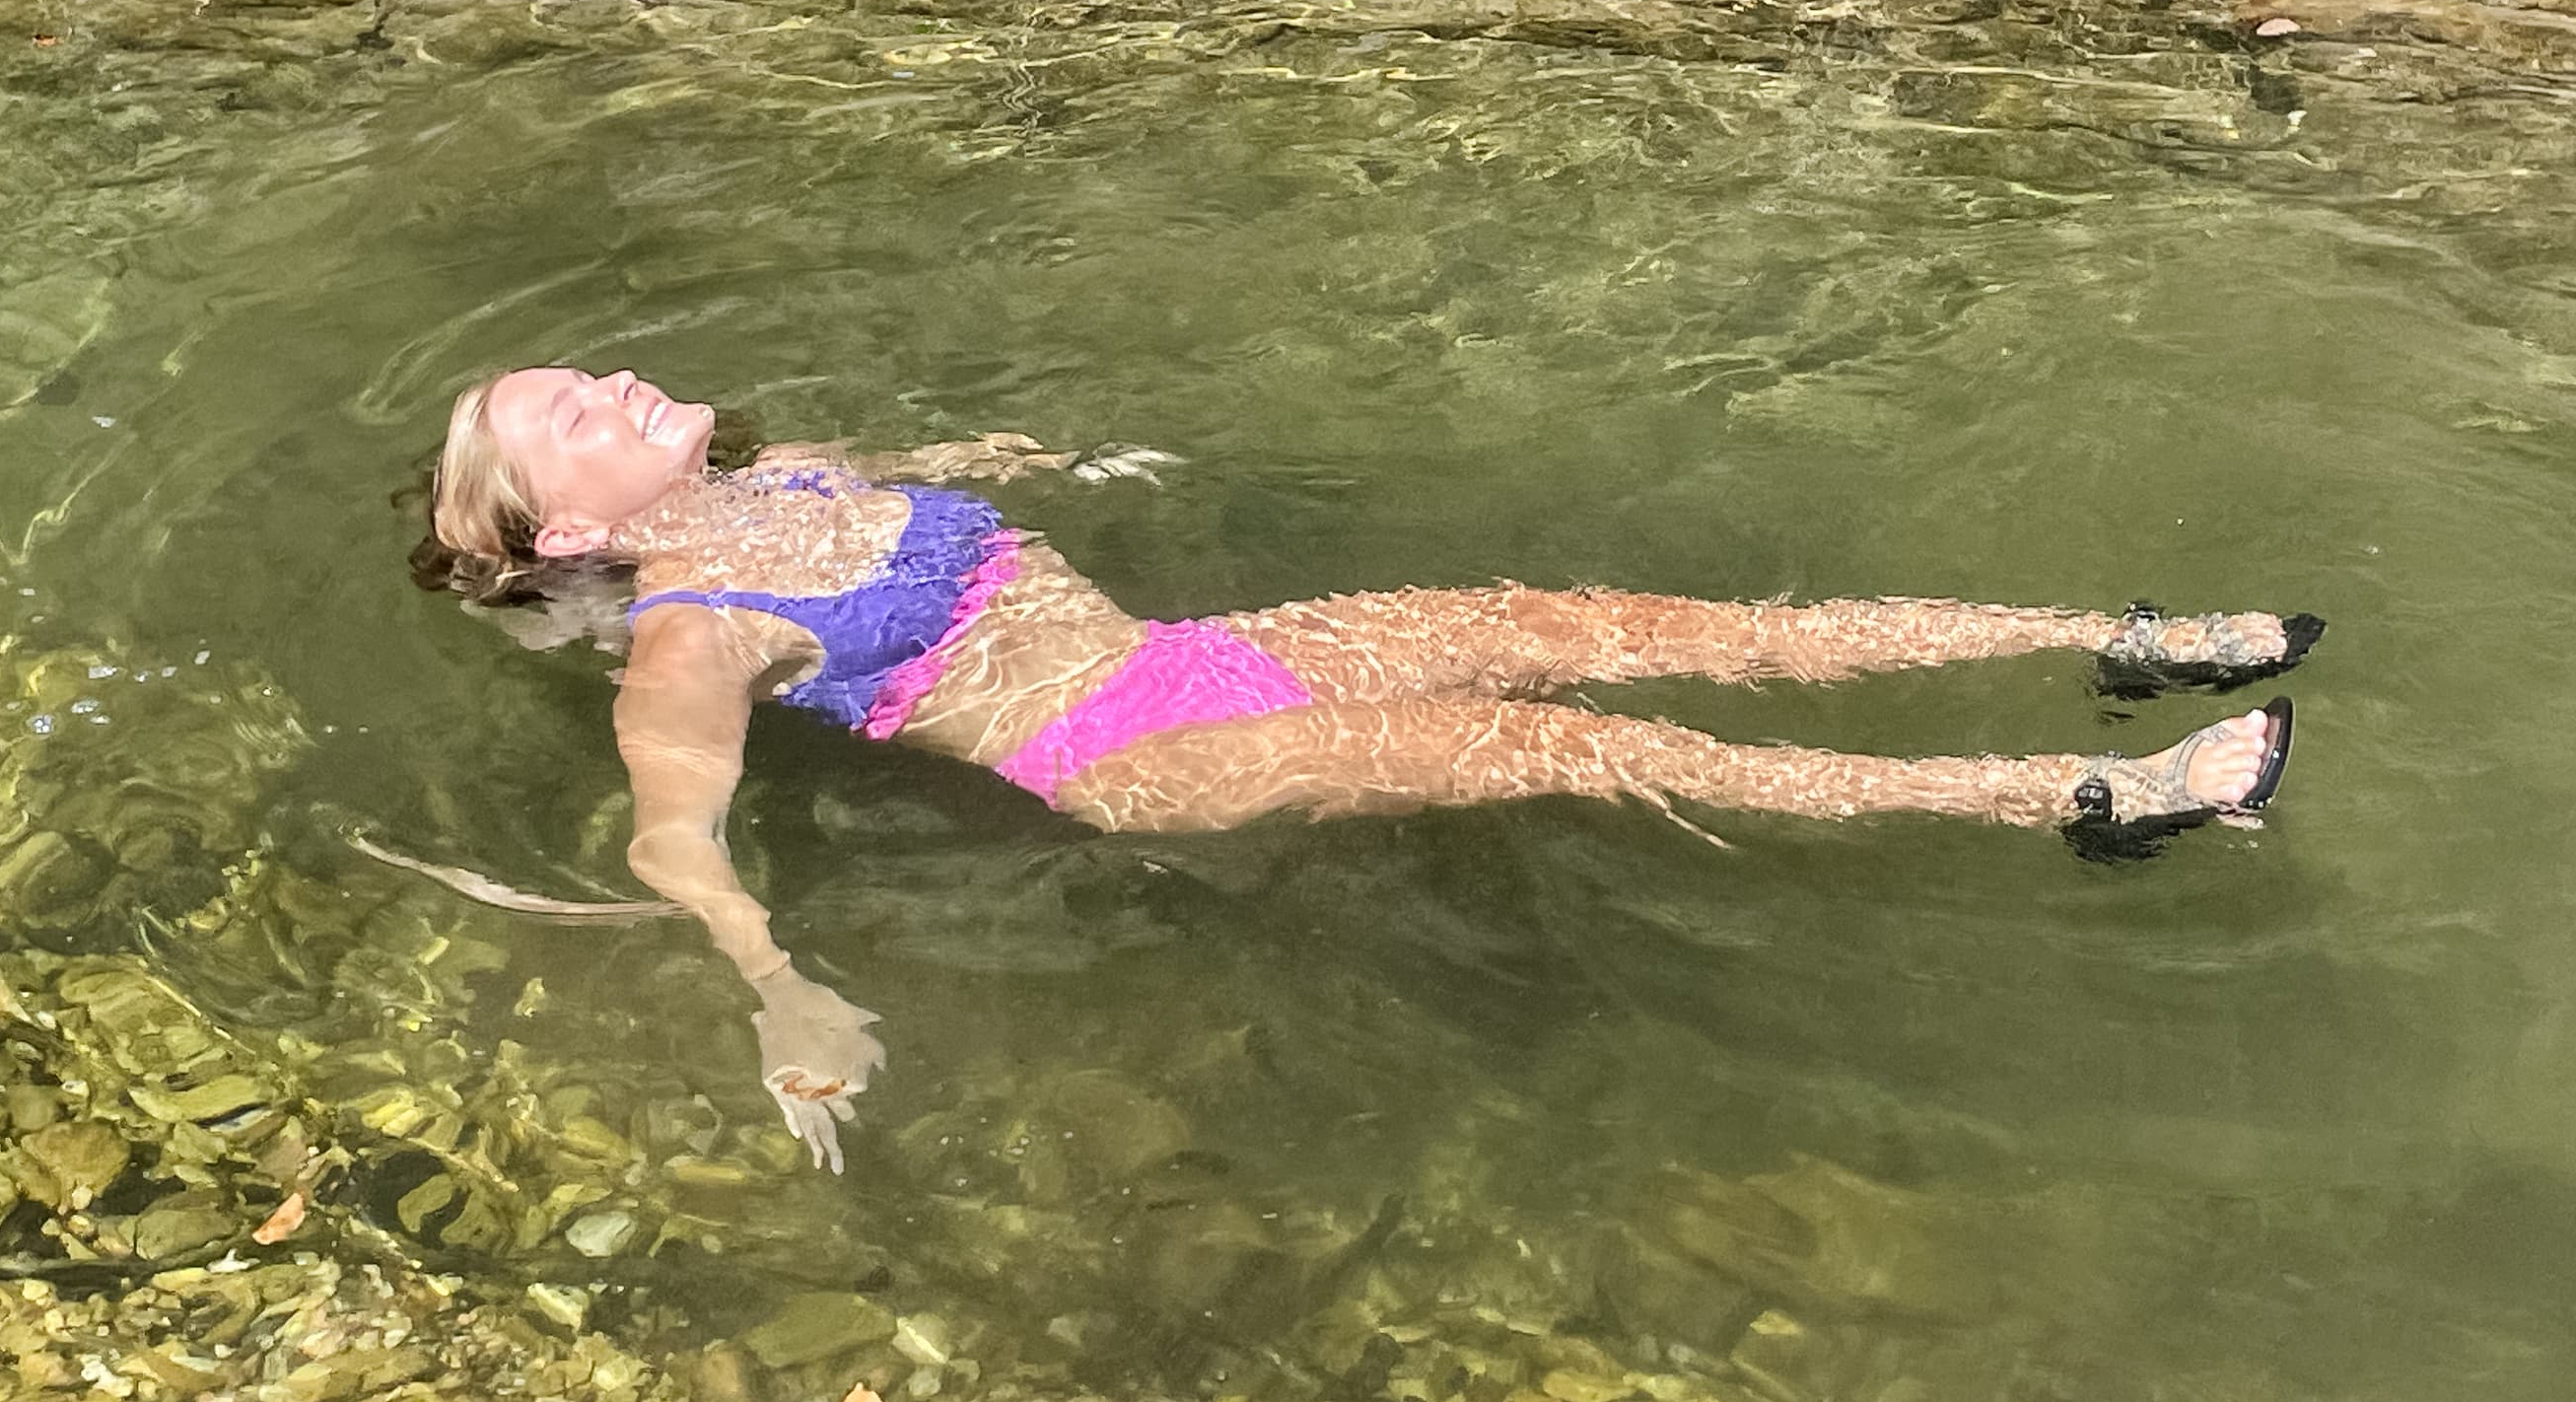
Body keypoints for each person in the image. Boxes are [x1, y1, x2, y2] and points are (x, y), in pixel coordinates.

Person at [410, 366, 2315, 1169]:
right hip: (1131, 748)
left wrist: (1060, 460)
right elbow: (675, 837)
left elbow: (953, 499)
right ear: (567, 534)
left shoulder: (794, 473)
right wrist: (776, 987)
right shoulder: (686, 637)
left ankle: (2114, 634)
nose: (609, 385)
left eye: (586, 372)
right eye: (569, 417)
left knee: (1655, 625)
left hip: (1195, 653)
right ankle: (2091, 801)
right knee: (1584, 745)